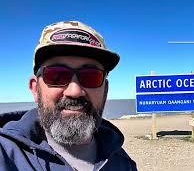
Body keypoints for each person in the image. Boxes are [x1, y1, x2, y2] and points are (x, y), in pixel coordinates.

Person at [0, 21, 137, 171]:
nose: (75, 91)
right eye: (56, 76)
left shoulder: (122, 162)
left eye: (91, 76)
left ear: (105, 90)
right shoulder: (6, 155)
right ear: (35, 89)